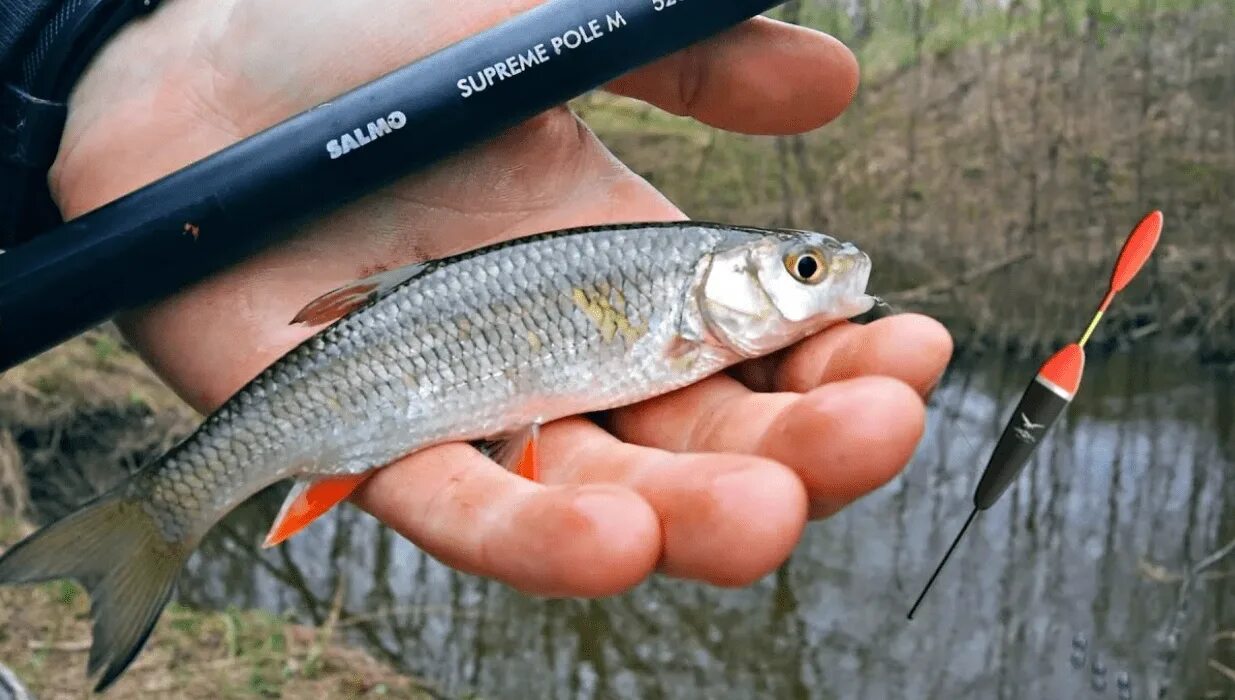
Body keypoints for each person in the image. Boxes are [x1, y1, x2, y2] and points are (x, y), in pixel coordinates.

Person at [49, 1, 952, 596]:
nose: (822, 280)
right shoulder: (680, 299)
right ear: (726, 281)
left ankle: (156, 519)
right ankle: (156, 517)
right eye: (802, 271)